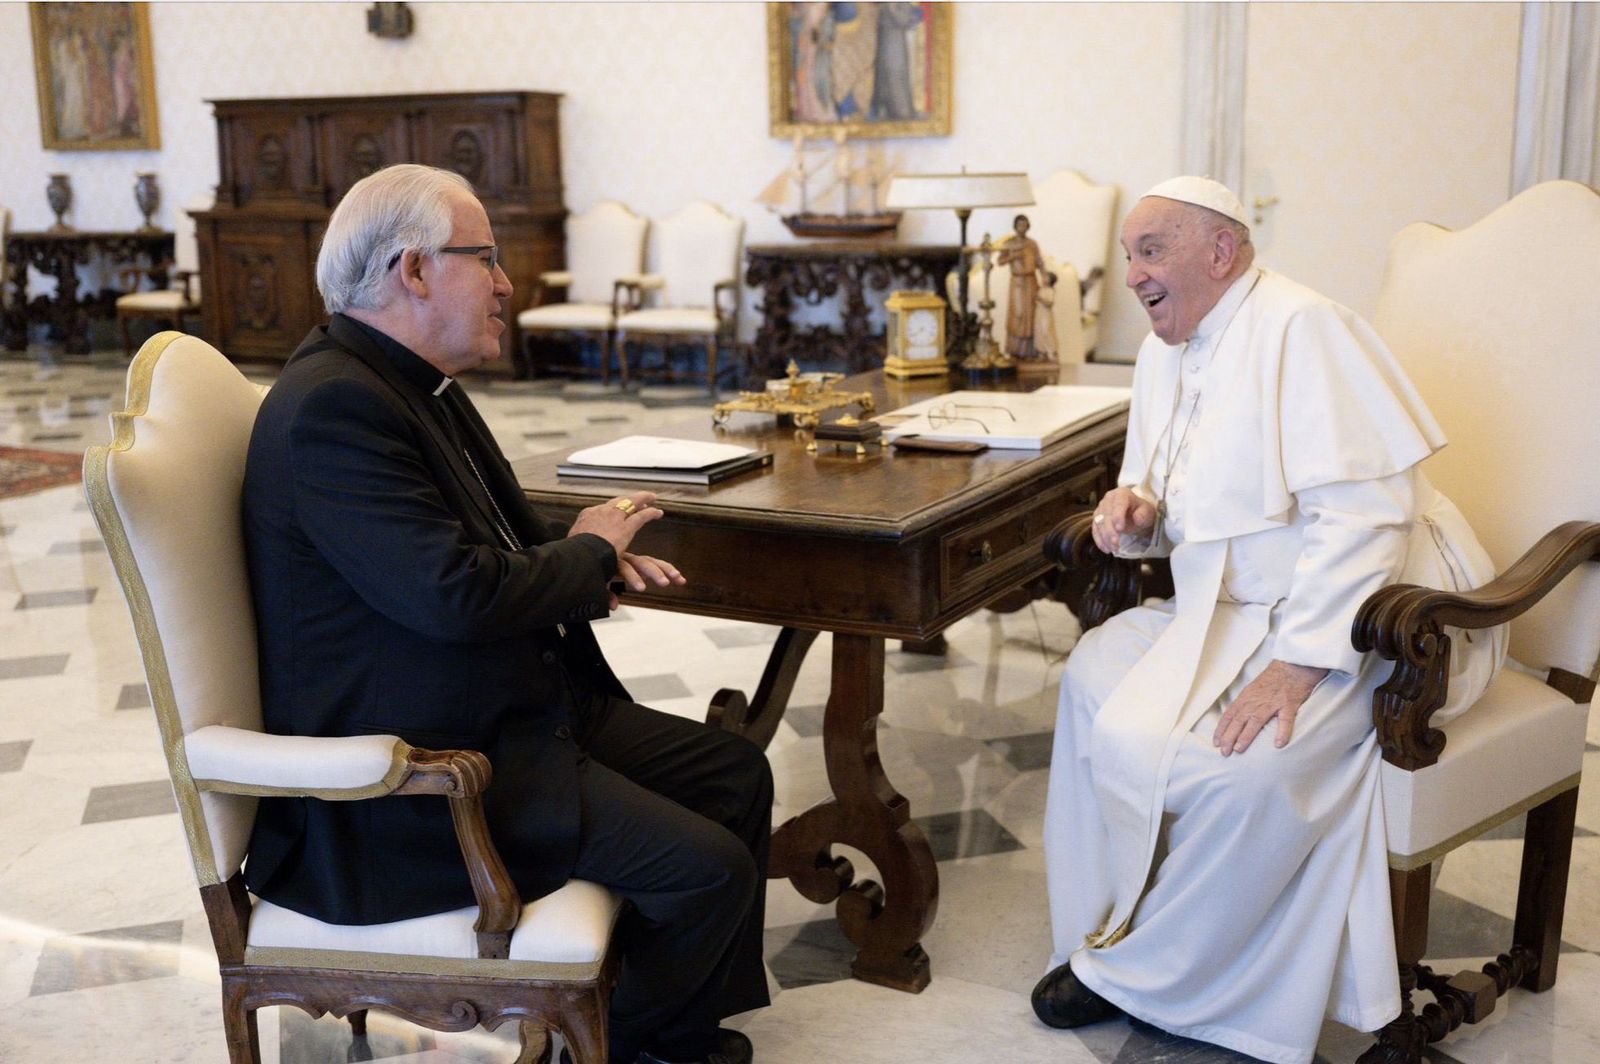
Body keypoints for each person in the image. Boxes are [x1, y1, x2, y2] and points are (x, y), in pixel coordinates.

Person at [241, 164, 771, 1064]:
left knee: (734, 775)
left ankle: (664, 1024)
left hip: (504, 705)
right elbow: (453, 594)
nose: (505, 282)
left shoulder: (403, 381)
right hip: (424, 772)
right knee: (703, 870)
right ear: (413, 271)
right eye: (483, 259)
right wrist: (587, 554)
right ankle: (633, 1048)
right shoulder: (335, 406)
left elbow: (477, 557)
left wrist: (586, 565)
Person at [1033, 177, 1505, 1064]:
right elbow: (1175, 501)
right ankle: (1101, 935)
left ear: (1222, 251)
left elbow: (1367, 517)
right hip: (1236, 604)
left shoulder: (1303, 327)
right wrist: (1136, 517)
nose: (1131, 274)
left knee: (1248, 769)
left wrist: (1300, 663)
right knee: (1096, 672)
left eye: (1150, 251)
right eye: (1130, 253)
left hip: (1383, 613)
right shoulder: (1164, 350)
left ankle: (1158, 979)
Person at [994, 214, 1044, 360]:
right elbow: (1000, 261)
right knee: (1018, 314)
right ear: (1015, 226)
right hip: (1017, 283)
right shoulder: (1009, 244)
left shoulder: (1032, 244)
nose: (1022, 227)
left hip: (1031, 282)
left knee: (1031, 314)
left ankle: (1030, 351)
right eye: (1019, 224)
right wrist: (1013, 256)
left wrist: (1045, 275)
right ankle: (1015, 350)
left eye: (1025, 224)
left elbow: (1039, 261)